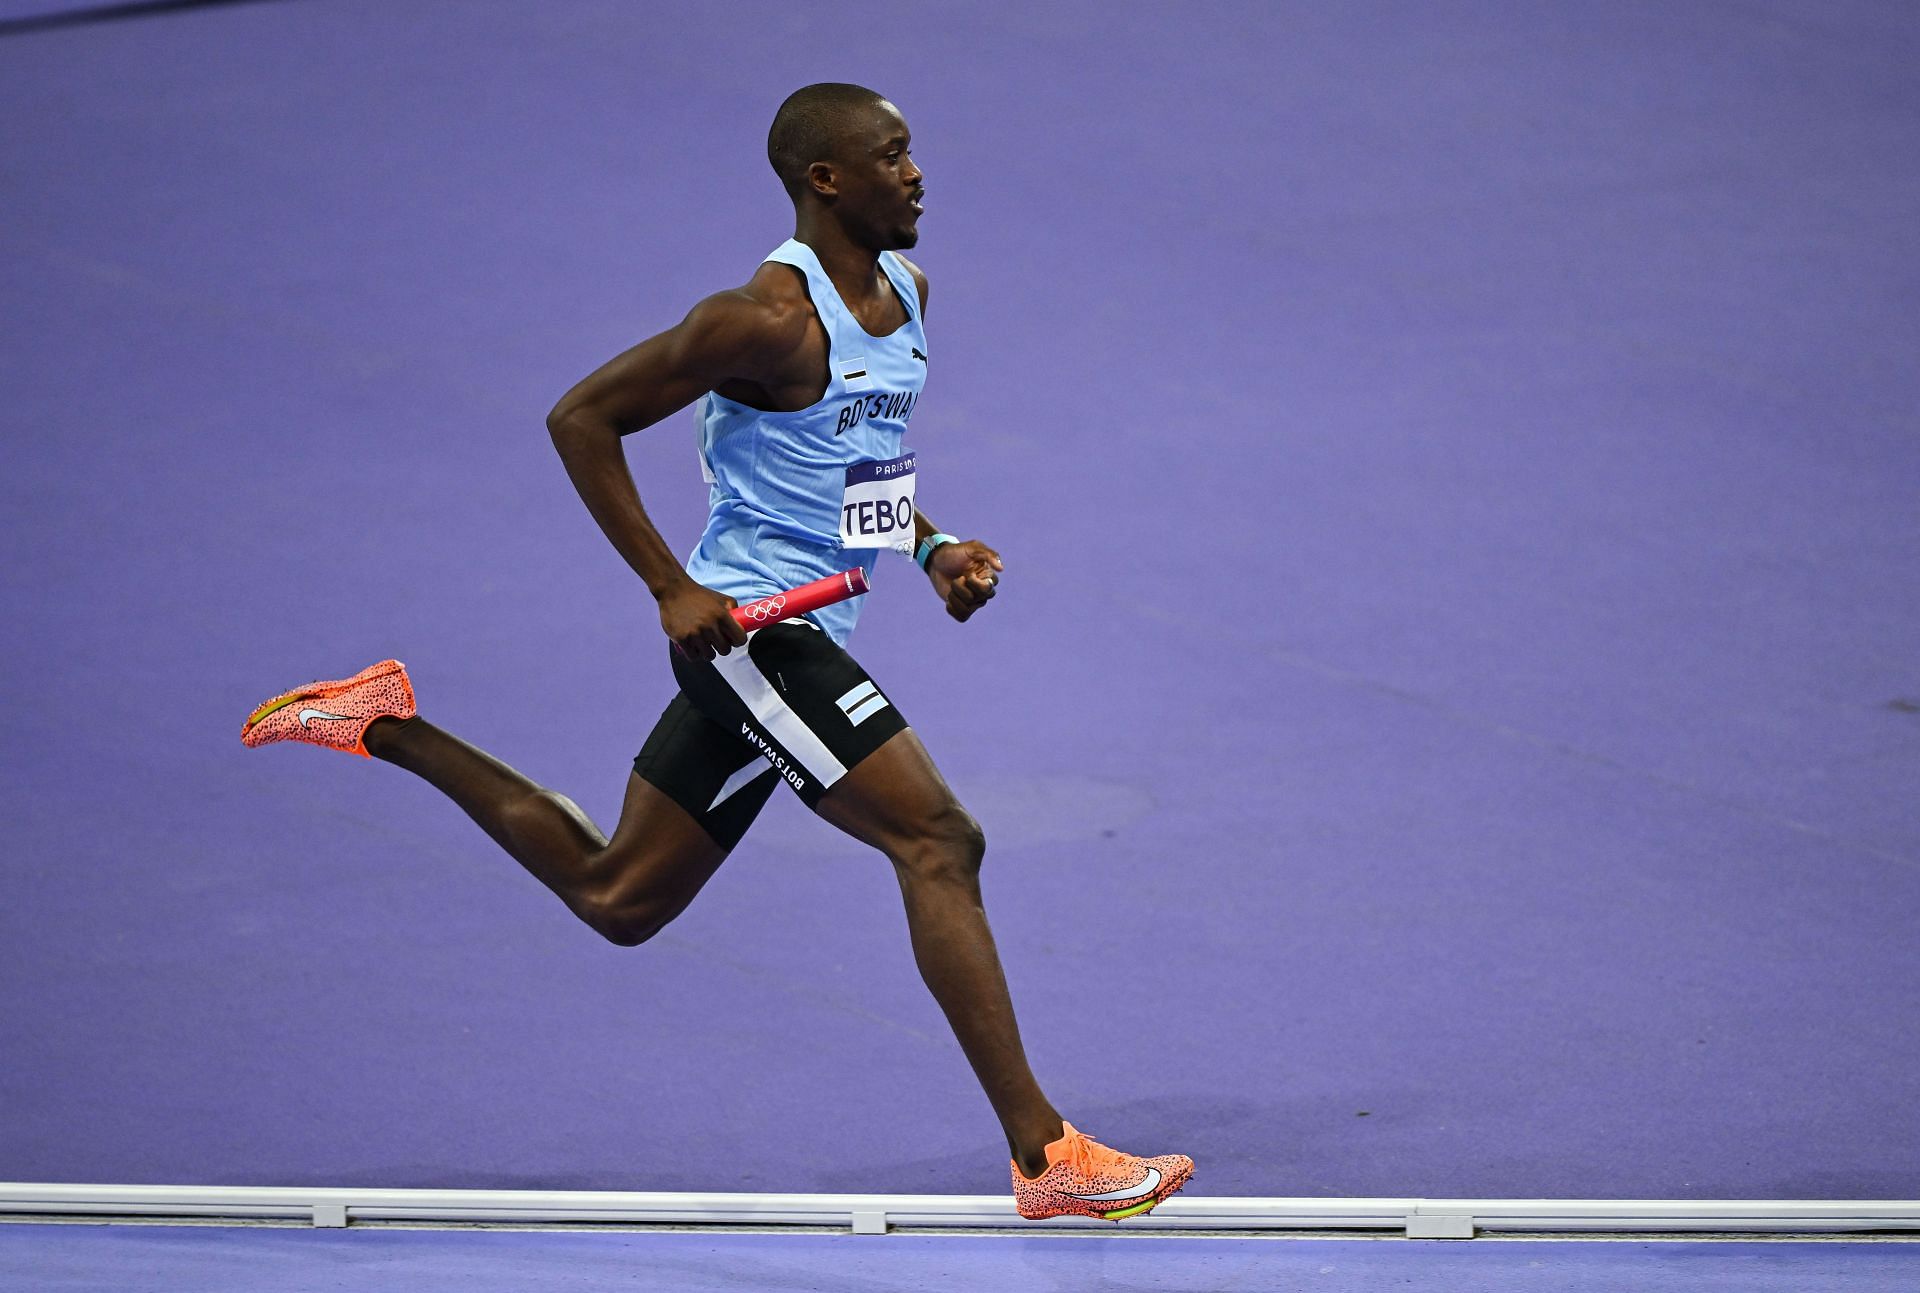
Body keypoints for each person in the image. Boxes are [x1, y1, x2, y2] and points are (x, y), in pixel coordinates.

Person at [241, 82, 1192, 1221]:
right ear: (824, 180)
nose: (919, 172)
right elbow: (580, 418)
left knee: (619, 897)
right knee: (939, 840)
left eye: (914, 152)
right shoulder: (761, 322)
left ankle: (384, 721)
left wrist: (930, 546)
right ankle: (1048, 1160)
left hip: (805, 629)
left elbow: (862, 456)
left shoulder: (911, 292)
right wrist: (670, 583)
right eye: (893, 156)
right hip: (751, 635)